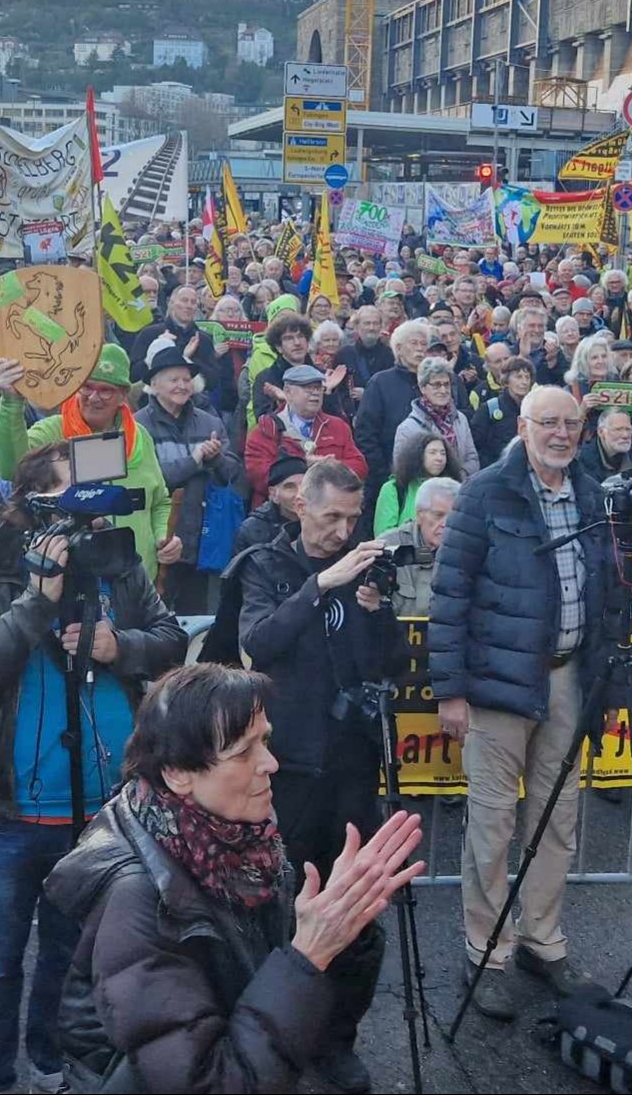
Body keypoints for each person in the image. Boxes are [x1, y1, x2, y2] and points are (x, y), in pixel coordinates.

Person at [43, 664, 425, 1093]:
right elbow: (209, 1083)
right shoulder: (137, 897)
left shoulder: (242, 836)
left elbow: (278, 1003)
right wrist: (310, 954)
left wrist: (347, 936)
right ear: (177, 773)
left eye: (265, 740)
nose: (271, 763)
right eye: (244, 752)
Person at [0, 441, 187, 1095]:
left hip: (96, 811)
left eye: (97, 503)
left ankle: (52, 1065)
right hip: (7, 814)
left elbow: (172, 642)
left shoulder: (119, 567)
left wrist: (119, 645)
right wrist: (35, 603)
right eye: (74, 500)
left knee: (68, 957)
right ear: (31, 508)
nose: (91, 518)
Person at [432, 385, 611, 1020]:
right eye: (549, 423)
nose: (562, 434)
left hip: (568, 678)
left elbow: (606, 595)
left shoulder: (589, 490)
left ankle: (541, 938)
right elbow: (449, 595)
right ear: (523, 424)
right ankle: (488, 951)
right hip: (495, 682)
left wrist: (605, 688)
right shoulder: (485, 492)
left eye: (572, 424)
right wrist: (449, 691)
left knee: (557, 817)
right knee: (491, 823)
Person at [235, 460, 404, 1092]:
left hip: (352, 762)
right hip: (289, 766)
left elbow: (387, 662)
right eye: (330, 515)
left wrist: (376, 608)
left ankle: (337, 1040)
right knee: (280, 910)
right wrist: (321, 586)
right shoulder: (264, 566)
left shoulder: (365, 570)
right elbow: (261, 642)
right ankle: (274, 1037)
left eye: (351, 518)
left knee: (355, 913)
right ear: (299, 506)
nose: (342, 530)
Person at [0, 343, 175, 582]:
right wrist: (11, 403)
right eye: (87, 387)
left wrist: (163, 537)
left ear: (122, 395)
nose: (94, 397)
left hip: (135, 580)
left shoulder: (140, 436)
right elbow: (10, 468)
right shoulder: (52, 431)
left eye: (106, 390)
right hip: (70, 581)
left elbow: (160, 501)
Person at [136, 343, 242, 612]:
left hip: (202, 538)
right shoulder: (138, 426)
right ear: (154, 385)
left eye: (187, 379)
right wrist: (194, 461)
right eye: (174, 380)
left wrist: (215, 457)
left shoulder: (209, 422)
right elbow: (152, 480)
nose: (182, 386)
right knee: (153, 610)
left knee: (195, 615)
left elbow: (232, 473)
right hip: (158, 537)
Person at [243, 363, 368, 507]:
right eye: (307, 388)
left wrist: (327, 468)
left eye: (318, 388)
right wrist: (303, 465)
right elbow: (259, 476)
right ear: (288, 392)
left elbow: (360, 467)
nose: (315, 393)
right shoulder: (266, 429)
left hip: (329, 511)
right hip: (280, 516)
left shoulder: (338, 426)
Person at [352, 320, 428, 505]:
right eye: (414, 343)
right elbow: (365, 433)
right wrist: (384, 474)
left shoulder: (436, 382)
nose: (420, 349)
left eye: (424, 344)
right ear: (399, 348)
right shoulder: (380, 383)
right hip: (389, 480)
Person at [376, 476, 458, 618]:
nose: (446, 524)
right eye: (438, 515)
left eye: (453, 516)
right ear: (419, 515)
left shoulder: (465, 550)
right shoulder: (388, 545)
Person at [375, 431, 461, 535]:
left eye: (443, 453)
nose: (439, 458)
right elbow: (384, 534)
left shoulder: (453, 489)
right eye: (432, 452)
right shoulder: (394, 489)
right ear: (418, 455)